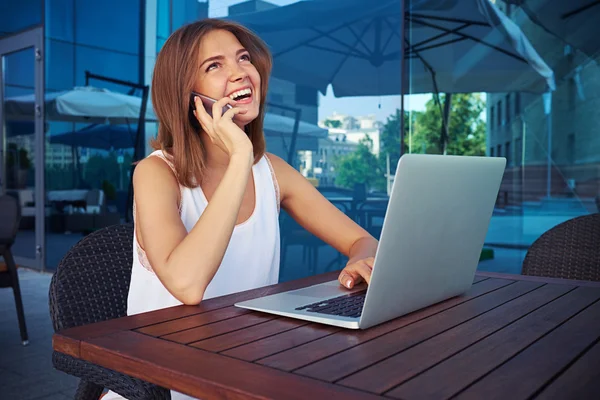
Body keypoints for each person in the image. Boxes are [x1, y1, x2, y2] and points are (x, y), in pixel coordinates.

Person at [101, 18, 378, 400]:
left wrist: (361, 261)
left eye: (243, 58)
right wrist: (239, 156)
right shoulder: (155, 174)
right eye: (214, 66)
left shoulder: (274, 172)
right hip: (163, 384)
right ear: (186, 94)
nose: (240, 73)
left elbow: (363, 240)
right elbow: (187, 284)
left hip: (246, 372)